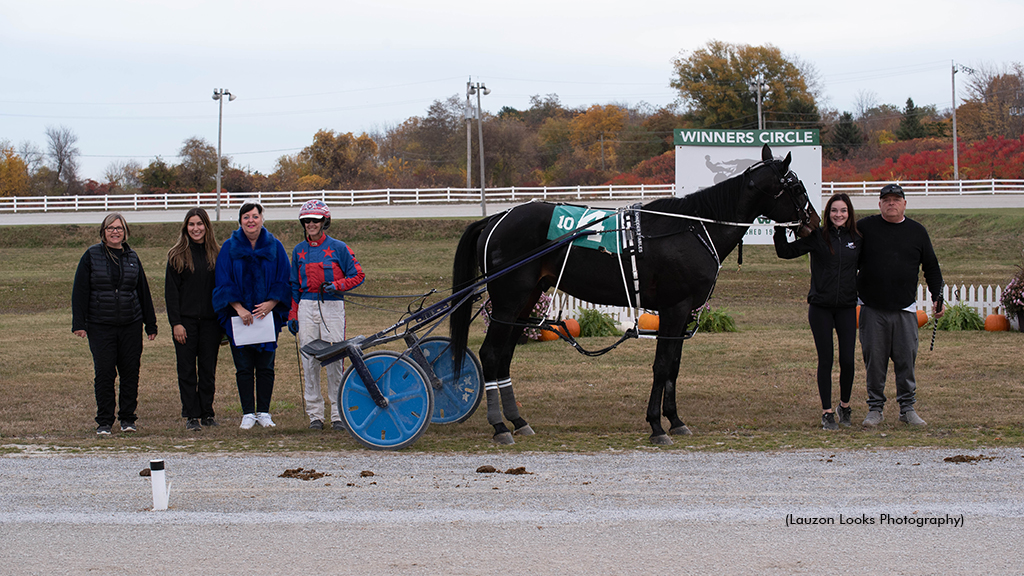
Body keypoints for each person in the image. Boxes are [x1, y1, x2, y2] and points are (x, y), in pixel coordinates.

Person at [857, 184, 944, 427]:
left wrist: (938, 296)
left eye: (896, 199)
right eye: (886, 199)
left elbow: (932, 267)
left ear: (905, 203)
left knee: (906, 359)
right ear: (879, 204)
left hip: (905, 309)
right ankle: (875, 408)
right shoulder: (865, 228)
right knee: (875, 361)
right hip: (872, 308)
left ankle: (907, 408)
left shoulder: (917, 232)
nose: (891, 203)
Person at [774, 193, 861, 430]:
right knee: (826, 360)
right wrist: (780, 228)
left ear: (849, 213)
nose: (838, 215)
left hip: (846, 307)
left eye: (843, 211)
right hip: (821, 307)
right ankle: (827, 412)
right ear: (827, 213)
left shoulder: (858, 239)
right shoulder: (818, 237)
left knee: (847, 360)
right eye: (834, 210)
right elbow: (785, 252)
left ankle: (845, 406)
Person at [72, 213, 158, 435]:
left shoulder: (132, 257)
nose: (115, 231)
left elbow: (143, 292)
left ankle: (128, 419)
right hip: (101, 325)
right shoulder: (91, 256)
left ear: (125, 231)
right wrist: (79, 323)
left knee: (130, 372)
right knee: (105, 373)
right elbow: (80, 291)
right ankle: (104, 421)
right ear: (103, 231)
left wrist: (151, 324)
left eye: (119, 228)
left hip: (131, 324)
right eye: (110, 228)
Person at [212, 200, 291, 430]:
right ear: (240, 221)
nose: (251, 221)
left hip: (267, 317)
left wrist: (271, 304)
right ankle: (248, 413)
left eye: (255, 216)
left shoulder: (274, 246)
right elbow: (223, 279)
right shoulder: (229, 247)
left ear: (262, 219)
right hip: (240, 318)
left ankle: (264, 412)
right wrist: (239, 308)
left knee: (266, 366)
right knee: (244, 367)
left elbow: (283, 278)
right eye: (246, 217)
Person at [287, 200, 365, 431]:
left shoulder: (339, 247)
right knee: (309, 359)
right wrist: (293, 313)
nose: (311, 224)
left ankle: (338, 414)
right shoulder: (298, 250)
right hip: (306, 305)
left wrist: (338, 285)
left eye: (315, 220)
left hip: (331, 306)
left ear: (324, 222)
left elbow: (358, 275)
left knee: (335, 359)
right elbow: (294, 284)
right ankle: (315, 415)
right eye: (307, 221)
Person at [166, 207, 222, 432]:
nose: (196, 228)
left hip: (211, 322)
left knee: (207, 369)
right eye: (192, 224)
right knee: (187, 370)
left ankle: (207, 412)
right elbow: (171, 294)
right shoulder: (176, 255)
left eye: (200, 224)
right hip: (186, 323)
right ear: (185, 227)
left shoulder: (217, 254)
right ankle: (191, 415)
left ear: (207, 227)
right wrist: (176, 323)